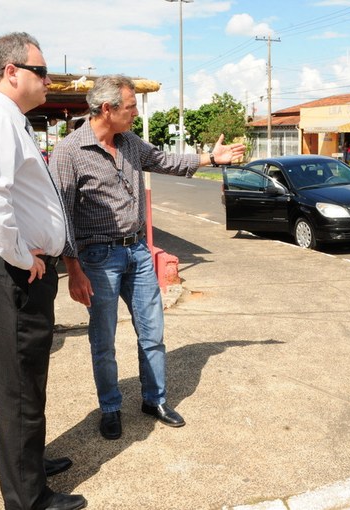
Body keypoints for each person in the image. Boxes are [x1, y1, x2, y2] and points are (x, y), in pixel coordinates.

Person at [50, 75, 245, 441]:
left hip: (138, 252)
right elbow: (60, 213)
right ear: (107, 109)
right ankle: (110, 407)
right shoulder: (69, 152)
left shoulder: (129, 142)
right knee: (103, 340)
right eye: (131, 107)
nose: (136, 114)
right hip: (98, 258)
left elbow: (163, 159)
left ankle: (153, 400)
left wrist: (210, 158)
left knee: (152, 334)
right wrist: (73, 268)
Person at [0, 32, 86, 510]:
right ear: (11, 71)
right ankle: (27, 498)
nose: (49, 80)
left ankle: (27, 463)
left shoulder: (7, 118)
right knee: (17, 388)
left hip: (23, 270)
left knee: (29, 378)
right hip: (15, 272)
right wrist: (20, 254)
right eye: (41, 71)